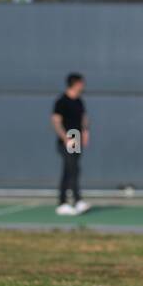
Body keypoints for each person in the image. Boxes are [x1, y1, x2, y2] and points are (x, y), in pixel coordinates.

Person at [51, 73, 90, 216]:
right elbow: (56, 121)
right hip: (68, 138)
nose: (83, 85)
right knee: (70, 170)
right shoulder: (62, 101)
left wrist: (85, 132)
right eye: (81, 83)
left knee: (73, 170)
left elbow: (84, 118)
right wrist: (65, 138)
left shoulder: (79, 101)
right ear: (75, 84)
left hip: (76, 136)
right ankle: (67, 202)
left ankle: (73, 202)